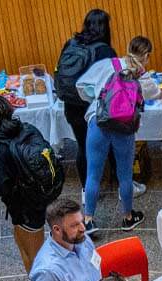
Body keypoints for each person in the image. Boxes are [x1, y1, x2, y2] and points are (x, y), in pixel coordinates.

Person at [76, 35, 162, 233]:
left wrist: (98, 98)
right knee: (125, 175)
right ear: (147, 56)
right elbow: (155, 93)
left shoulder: (108, 64)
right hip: (124, 128)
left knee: (93, 173)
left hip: (99, 122)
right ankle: (128, 217)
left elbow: (80, 86)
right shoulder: (142, 75)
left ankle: (88, 220)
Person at [0, 94, 55, 281]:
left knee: (37, 256)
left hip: (24, 206)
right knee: (24, 246)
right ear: (11, 109)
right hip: (39, 197)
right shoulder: (29, 129)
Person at [56, 9, 120, 191]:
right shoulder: (105, 51)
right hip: (94, 108)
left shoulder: (70, 44)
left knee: (83, 147)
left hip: (71, 106)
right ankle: (120, 182)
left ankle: (87, 190)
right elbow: (116, 79)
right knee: (113, 143)